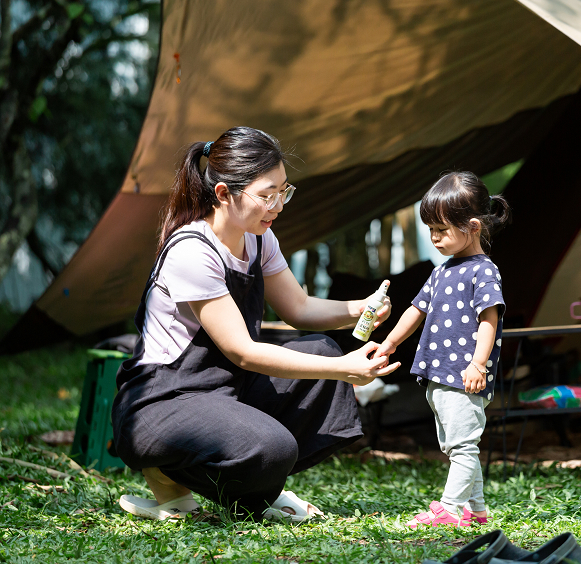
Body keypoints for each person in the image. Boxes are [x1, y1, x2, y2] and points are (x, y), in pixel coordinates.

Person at [112, 126, 400, 522]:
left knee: (321, 352)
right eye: (266, 195)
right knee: (275, 445)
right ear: (224, 194)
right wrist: (346, 370)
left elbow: (298, 308)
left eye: (283, 191)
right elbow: (242, 351)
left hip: (222, 390)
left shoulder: (260, 239)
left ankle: (254, 486)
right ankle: (171, 472)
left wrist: (359, 307)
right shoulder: (192, 252)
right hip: (162, 403)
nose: (278, 205)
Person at [374, 171, 510, 528]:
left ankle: (450, 509)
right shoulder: (442, 271)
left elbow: (489, 319)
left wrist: (478, 364)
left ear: (474, 227)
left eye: (442, 230)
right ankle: (476, 511)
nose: (434, 238)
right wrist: (390, 342)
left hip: (465, 376)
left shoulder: (484, 271)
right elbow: (415, 310)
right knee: (456, 446)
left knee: (463, 447)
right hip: (439, 373)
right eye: (431, 230)